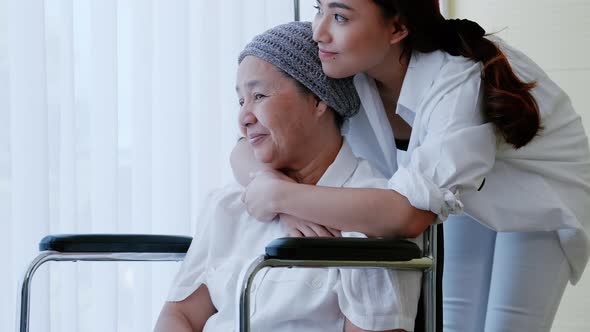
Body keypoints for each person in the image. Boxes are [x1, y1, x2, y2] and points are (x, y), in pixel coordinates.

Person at [232, 1, 590, 331]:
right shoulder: (335, 57)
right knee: (451, 321)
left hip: (538, 193)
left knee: (507, 325)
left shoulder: (456, 80)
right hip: (458, 192)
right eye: (318, 8)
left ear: (397, 28)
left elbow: (408, 215)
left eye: (340, 16)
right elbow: (246, 147)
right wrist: (273, 190)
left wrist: (282, 195)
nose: (318, 31)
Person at [154, 21, 421, 332]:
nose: (244, 118)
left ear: (319, 100)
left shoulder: (369, 220)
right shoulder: (229, 204)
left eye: (260, 96)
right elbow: (180, 315)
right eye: (241, 101)